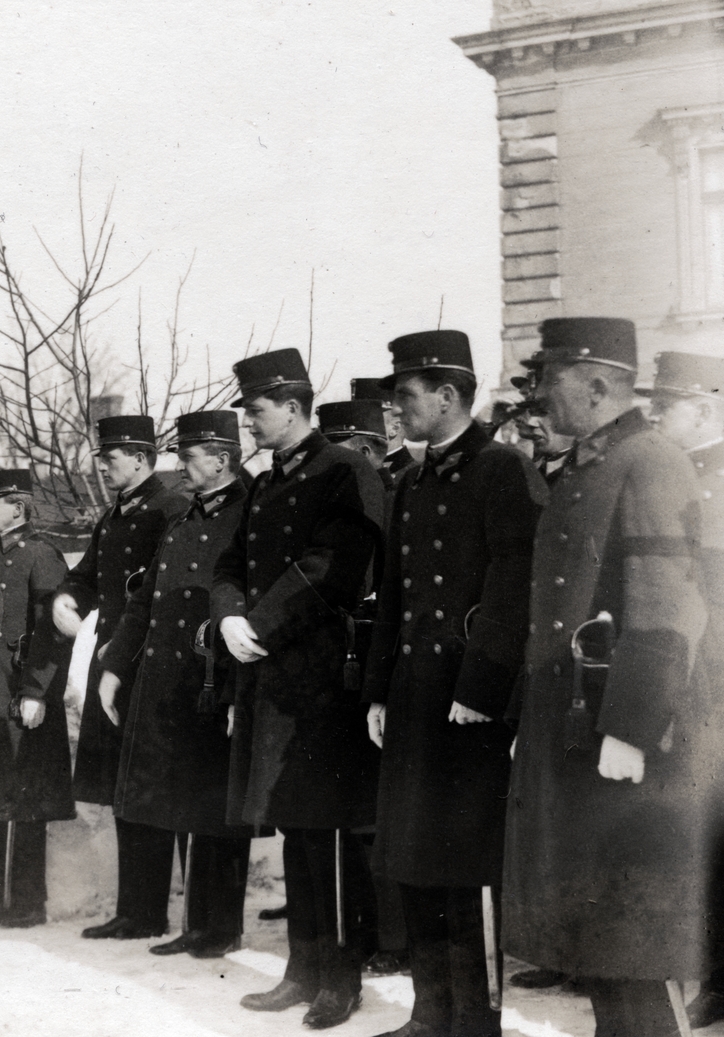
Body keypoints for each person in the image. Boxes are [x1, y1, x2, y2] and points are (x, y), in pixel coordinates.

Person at [504, 317, 712, 1037]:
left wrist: (630, 725)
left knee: (629, 939)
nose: (536, 392)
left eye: (547, 376)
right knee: (595, 931)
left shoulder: (651, 459)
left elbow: (666, 603)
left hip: (616, 731)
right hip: (572, 726)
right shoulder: (589, 463)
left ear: (593, 383)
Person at [363, 330, 547, 1037]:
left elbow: (514, 584)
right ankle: (430, 1011)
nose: (397, 410)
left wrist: (483, 685)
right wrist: (379, 689)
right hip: (414, 696)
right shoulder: (409, 480)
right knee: (414, 855)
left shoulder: (502, 469)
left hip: (469, 700)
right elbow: (395, 596)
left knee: (463, 861)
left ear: (446, 395)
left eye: (405, 395)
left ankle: (475, 1018)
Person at [212, 348, 385, 1030]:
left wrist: (255, 621)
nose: (249, 420)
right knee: (295, 825)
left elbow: (335, 568)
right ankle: (301, 967)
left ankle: (341, 977)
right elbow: (227, 561)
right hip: (272, 674)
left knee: (332, 832)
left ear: (293, 404)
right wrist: (227, 613)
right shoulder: (264, 481)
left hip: (323, 681)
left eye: (255, 408)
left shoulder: (345, 470)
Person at [96, 410, 256, 959]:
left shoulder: (250, 512)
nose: (178, 467)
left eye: (188, 457)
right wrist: (115, 666)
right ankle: (196, 923)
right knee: (187, 797)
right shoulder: (185, 518)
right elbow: (147, 601)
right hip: (173, 680)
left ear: (222, 459)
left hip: (218, 679)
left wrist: (239, 691)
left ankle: (221, 926)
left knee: (218, 805)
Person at [43, 414, 189, 941]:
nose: (104, 467)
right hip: (112, 659)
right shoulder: (116, 513)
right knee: (125, 791)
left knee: (147, 788)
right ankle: (135, 911)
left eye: (112, 458)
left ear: (143, 459)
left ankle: (153, 912)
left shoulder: (169, 508)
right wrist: (67, 597)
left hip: (147, 664)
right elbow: (87, 576)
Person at [644, 352, 724, 1036]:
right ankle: (723, 979)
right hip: (697, 684)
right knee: (710, 841)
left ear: (707, 410)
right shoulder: (677, 478)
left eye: (669, 405)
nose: (656, 416)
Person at [0, 469, 76, 930]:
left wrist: (37, 691)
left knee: (27, 802)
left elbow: (54, 634)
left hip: (25, 694)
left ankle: (27, 901)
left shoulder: (42, 555)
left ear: (19, 506)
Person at [319, 398, 409, 978]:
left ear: (371, 449)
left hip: (384, 670)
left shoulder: (395, 495)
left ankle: (395, 941)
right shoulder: (347, 501)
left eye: (344, 450)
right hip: (347, 669)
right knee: (354, 814)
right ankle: (365, 931)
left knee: (380, 815)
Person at [353, 378, 415, 477]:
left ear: (395, 428)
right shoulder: (353, 472)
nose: (358, 429)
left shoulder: (412, 476)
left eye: (368, 422)